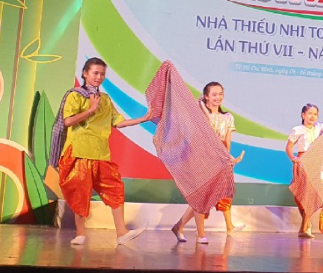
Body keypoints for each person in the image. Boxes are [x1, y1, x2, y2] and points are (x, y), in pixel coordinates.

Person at [56, 57, 152, 245]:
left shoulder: (105, 99)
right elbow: (68, 121)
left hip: (101, 154)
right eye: (95, 73)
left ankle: (122, 232)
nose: (99, 77)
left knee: (115, 189)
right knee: (81, 195)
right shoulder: (75, 96)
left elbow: (118, 122)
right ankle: (80, 234)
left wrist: (143, 119)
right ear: (85, 73)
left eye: (102, 74)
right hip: (80, 152)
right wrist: (91, 109)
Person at [171, 82, 245, 243]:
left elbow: (227, 141)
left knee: (209, 196)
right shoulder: (201, 114)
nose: (218, 97)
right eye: (214, 94)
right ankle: (201, 234)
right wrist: (202, 104)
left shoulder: (228, 117)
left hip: (219, 159)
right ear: (206, 96)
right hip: (200, 157)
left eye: (220, 94)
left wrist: (228, 158)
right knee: (201, 196)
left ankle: (179, 226)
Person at [286, 103, 323, 238]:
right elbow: (289, 147)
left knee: (311, 194)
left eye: (315, 114)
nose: (312, 116)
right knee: (300, 196)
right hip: (302, 162)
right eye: (309, 113)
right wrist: (293, 158)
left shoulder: (319, 128)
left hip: (315, 163)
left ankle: (304, 228)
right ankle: (306, 226)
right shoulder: (297, 130)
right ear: (303, 115)